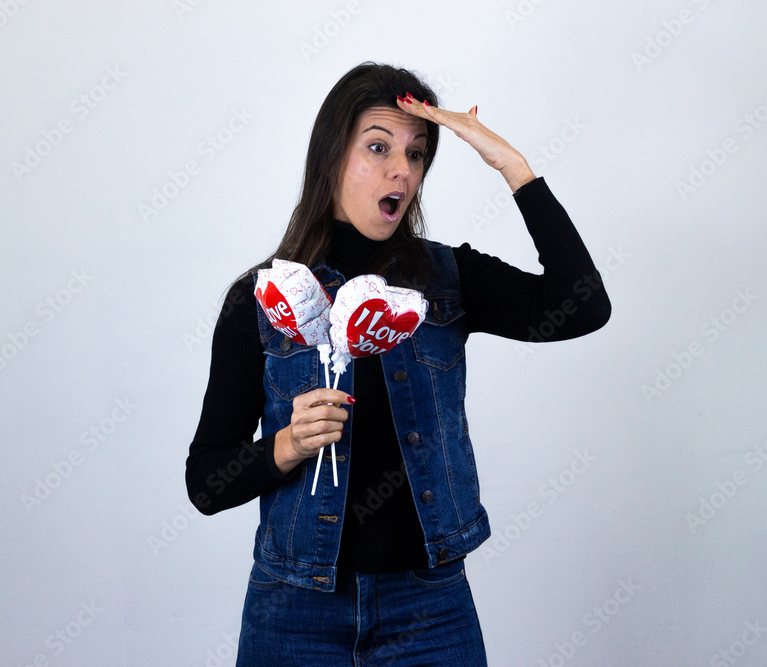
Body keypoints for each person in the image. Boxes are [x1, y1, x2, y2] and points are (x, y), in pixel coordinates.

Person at [185, 62, 612, 665]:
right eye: (378, 147)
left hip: (430, 610)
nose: (401, 171)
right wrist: (285, 445)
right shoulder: (263, 298)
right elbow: (205, 481)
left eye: (416, 155)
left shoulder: (449, 281)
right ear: (331, 157)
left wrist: (513, 167)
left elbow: (584, 306)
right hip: (294, 610)